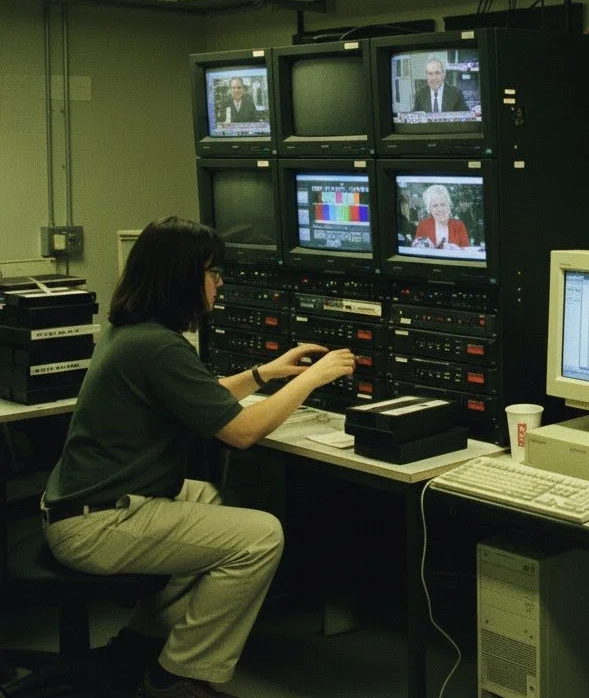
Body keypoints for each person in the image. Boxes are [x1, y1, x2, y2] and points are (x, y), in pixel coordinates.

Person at [41, 216, 356, 698]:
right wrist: (311, 379)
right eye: (212, 272)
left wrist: (263, 373)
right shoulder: (157, 347)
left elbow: (199, 396)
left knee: (208, 499)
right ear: (182, 277)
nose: (219, 282)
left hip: (84, 504)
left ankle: (140, 644)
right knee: (261, 537)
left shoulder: (135, 332)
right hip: (95, 525)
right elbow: (243, 432)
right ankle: (175, 677)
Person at [412, 183, 470, 249]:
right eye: (435, 206)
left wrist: (456, 249)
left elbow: (466, 251)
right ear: (429, 209)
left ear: (449, 205)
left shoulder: (459, 225)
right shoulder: (423, 225)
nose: (440, 209)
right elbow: (417, 250)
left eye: (443, 205)